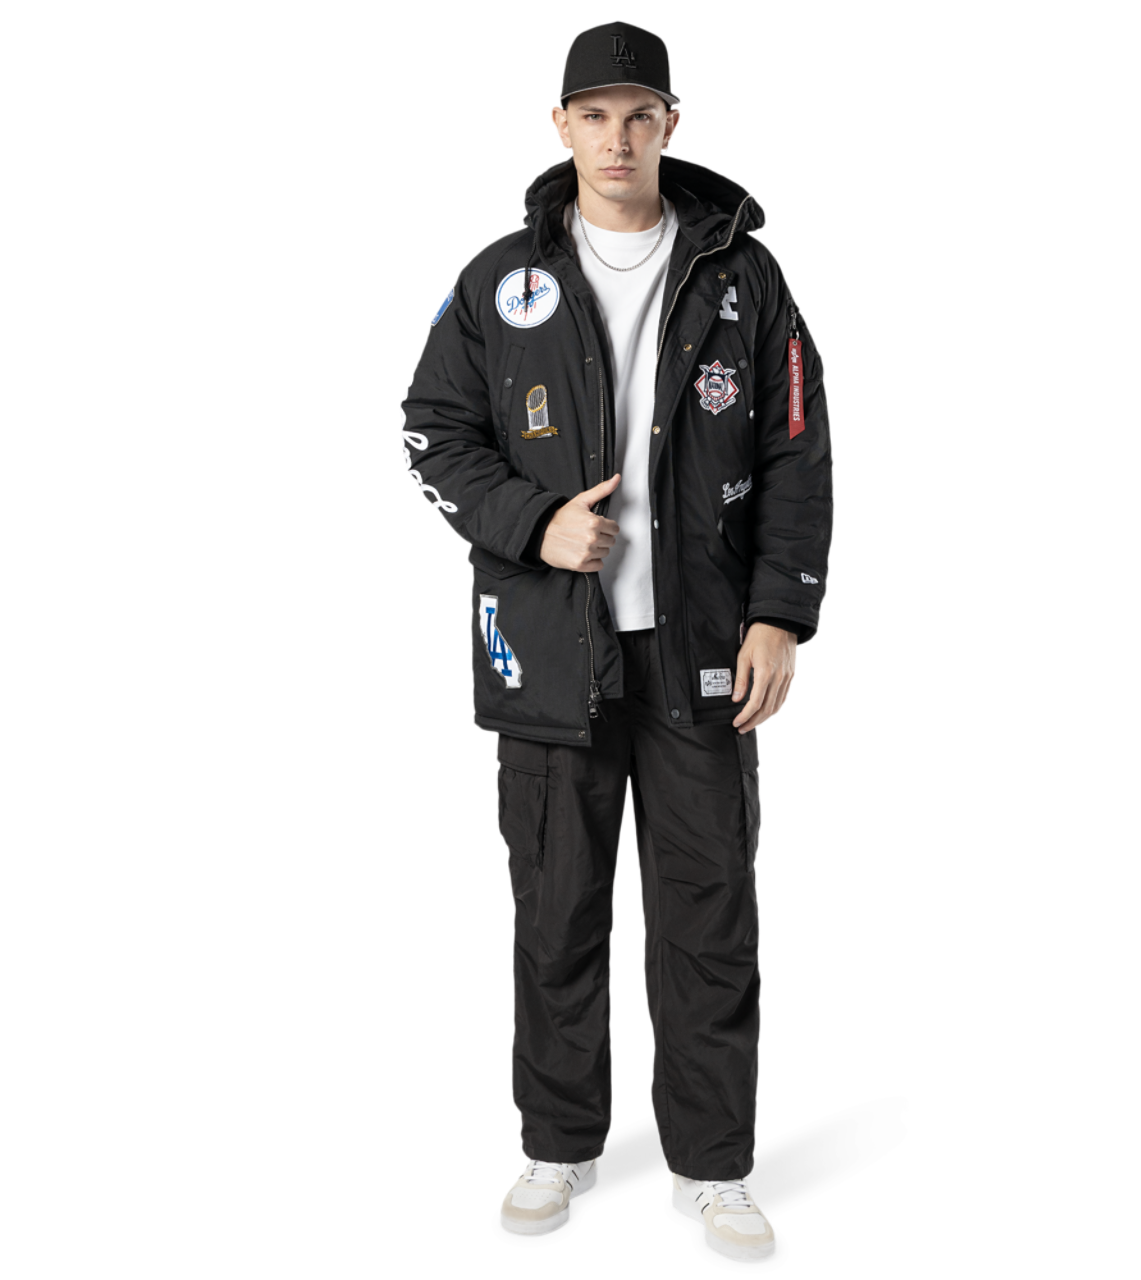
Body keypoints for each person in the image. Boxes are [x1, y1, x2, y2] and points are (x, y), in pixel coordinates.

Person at [399, 21, 832, 1259]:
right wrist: (532, 525)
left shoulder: (745, 275)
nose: (616, 139)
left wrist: (779, 613)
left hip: (700, 653)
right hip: (549, 653)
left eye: (640, 115)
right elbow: (428, 435)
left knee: (708, 915)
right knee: (554, 911)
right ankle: (555, 1145)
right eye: (592, 116)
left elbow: (798, 449)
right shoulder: (499, 278)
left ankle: (712, 1165)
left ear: (669, 125)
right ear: (562, 130)